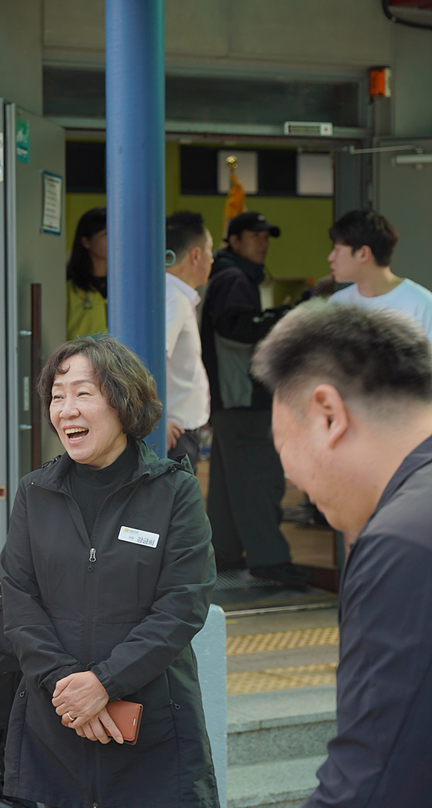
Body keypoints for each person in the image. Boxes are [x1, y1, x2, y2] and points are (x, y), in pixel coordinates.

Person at [0, 335, 218, 808]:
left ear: (122, 401)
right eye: (57, 395)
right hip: (61, 727)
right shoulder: (35, 494)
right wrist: (69, 691)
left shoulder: (174, 492)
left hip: (151, 730)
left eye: (83, 393)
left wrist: (105, 684)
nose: (66, 409)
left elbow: (182, 606)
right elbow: (19, 599)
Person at [251, 302, 432, 808]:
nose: (291, 477)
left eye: (283, 445)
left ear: (327, 414)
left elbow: (371, 794)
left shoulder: (404, 542)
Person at [199, 211, 305, 585]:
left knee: (229, 486)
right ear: (234, 240)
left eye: (266, 236)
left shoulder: (225, 275)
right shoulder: (234, 278)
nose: (263, 242)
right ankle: (270, 561)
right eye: (255, 236)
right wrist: (286, 319)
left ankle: (225, 555)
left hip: (229, 401)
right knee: (260, 478)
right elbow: (237, 330)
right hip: (244, 397)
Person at [327, 208, 432, 342]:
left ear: (363, 253)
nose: (330, 258)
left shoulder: (422, 305)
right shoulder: (336, 305)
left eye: (337, 250)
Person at [163, 210, 213, 467]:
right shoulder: (173, 298)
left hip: (178, 429)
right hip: (174, 433)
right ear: (196, 255)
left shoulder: (175, 295)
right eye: (210, 251)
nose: (213, 259)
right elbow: (148, 358)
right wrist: (158, 419)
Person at [67, 207, 109, 339]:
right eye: (106, 234)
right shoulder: (69, 287)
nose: (114, 239)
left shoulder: (125, 285)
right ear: (86, 242)